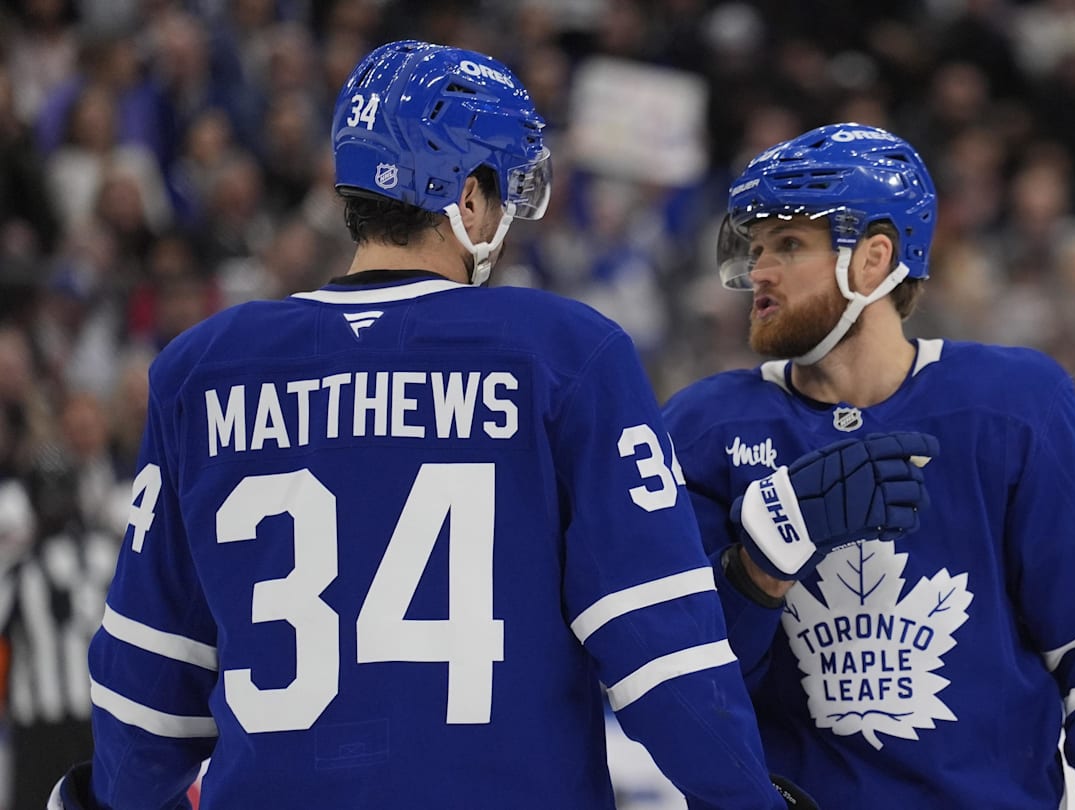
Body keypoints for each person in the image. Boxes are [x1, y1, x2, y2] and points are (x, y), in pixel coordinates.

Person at [46, 40, 815, 810]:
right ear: (468, 198)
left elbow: (146, 701)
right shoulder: (565, 354)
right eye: (505, 194)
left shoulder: (201, 368)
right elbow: (663, 654)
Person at [662, 123, 1075, 809]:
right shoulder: (704, 428)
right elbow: (678, 689)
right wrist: (756, 569)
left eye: (788, 245)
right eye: (756, 249)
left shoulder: (1013, 407)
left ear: (873, 259)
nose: (759, 271)